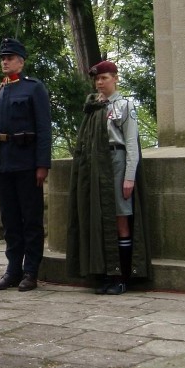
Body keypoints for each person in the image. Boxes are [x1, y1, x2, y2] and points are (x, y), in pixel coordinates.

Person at [66, 60, 150, 295]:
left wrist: (129, 177)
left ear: (115, 78)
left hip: (117, 163)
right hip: (97, 168)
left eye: (104, 78)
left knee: (120, 218)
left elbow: (132, 144)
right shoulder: (94, 107)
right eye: (97, 79)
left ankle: (121, 276)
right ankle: (105, 274)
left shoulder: (125, 105)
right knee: (101, 219)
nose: (99, 82)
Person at [0, 38, 51, 292]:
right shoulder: (0, 90)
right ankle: (13, 269)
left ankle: (31, 271)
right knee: (10, 221)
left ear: (21, 61)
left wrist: (42, 165)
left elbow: (44, 129)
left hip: (27, 164)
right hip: (2, 165)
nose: (5, 61)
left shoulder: (34, 88)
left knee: (30, 220)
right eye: (2, 58)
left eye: (9, 58)